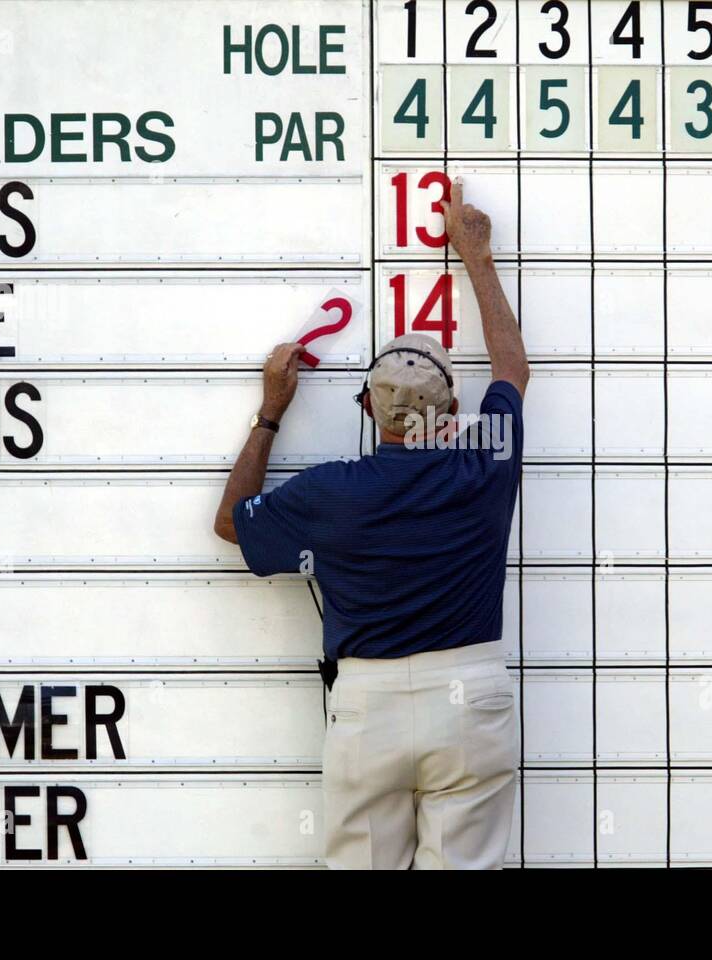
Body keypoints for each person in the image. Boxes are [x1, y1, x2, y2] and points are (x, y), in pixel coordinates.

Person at [213, 180, 530, 869]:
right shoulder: (487, 462)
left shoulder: (331, 491)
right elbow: (512, 366)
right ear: (450, 412)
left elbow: (232, 523)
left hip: (366, 706)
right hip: (469, 696)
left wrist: (272, 411)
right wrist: (475, 253)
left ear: (367, 407)